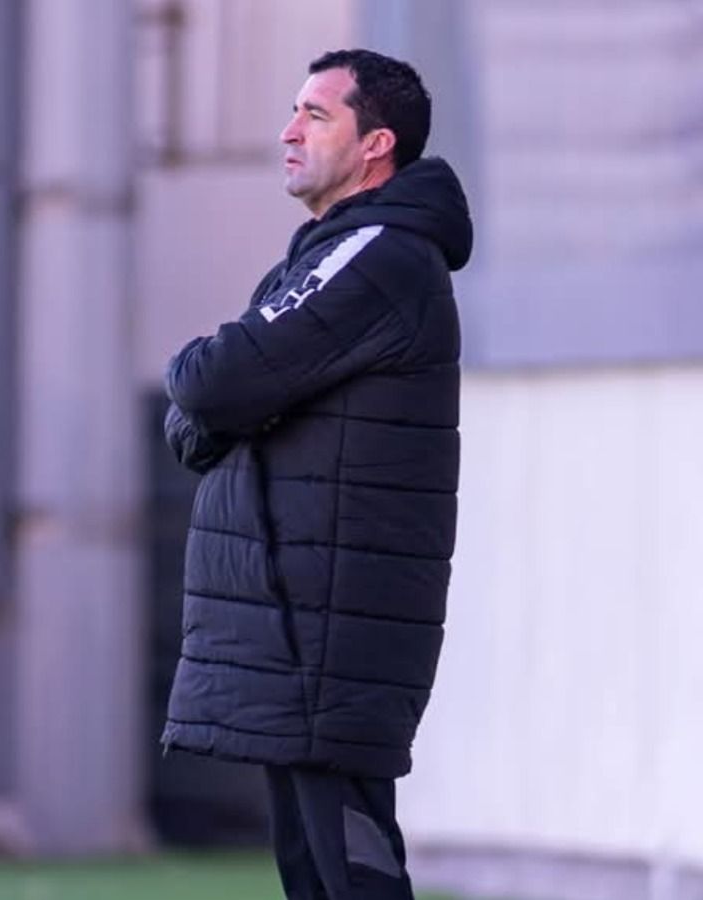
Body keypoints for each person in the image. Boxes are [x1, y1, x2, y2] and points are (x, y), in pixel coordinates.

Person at [159, 49, 470, 900]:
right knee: (319, 870)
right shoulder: (331, 253)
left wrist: (227, 394)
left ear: (376, 146)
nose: (289, 132)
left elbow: (209, 381)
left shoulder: (378, 252)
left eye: (316, 115)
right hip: (305, 629)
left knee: (351, 873)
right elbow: (193, 428)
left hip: (327, 632)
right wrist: (229, 401)